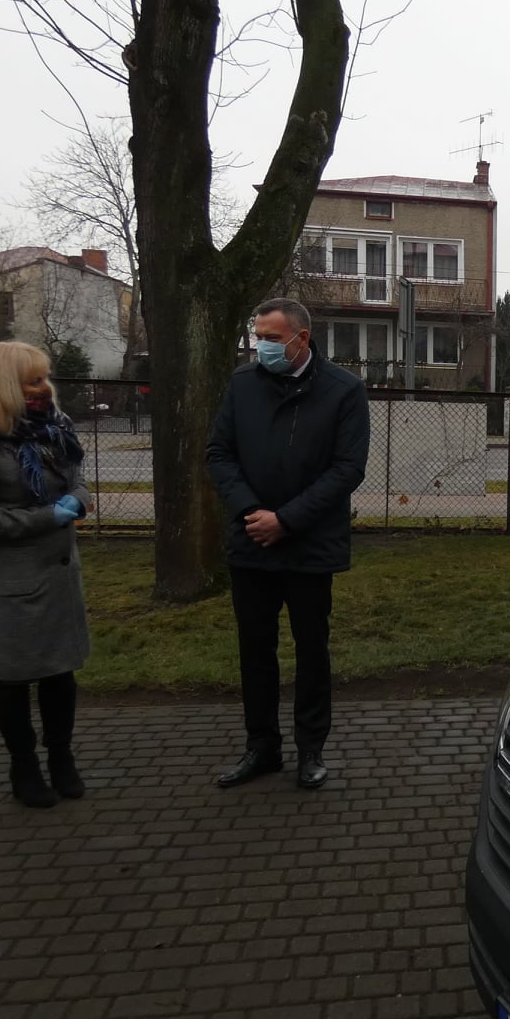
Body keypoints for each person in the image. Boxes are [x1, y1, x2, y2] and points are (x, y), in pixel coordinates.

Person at [207, 297, 370, 791]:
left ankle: (310, 749)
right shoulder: (243, 384)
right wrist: (252, 513)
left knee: (311, 651)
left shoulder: (343, 390)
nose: (262, 347)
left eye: (272, 339)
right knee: (255, 651)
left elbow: (347, 469)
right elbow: (219, 453)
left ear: (302, 339)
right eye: (258, 337)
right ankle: (262, 747)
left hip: (310, 546)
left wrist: (287, 520)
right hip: (251, 542)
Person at [0, 341, 92, 809]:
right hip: (8, 583)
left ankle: (62, 757)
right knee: (13, 679)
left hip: (59, 575)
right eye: (33, 380)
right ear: (7, 384)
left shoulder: (56, 427)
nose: (44, 387)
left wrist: (78, 501)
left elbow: (77, 478)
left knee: (60, 674)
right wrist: (46, 517)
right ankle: (23, 765)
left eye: (45, 377)